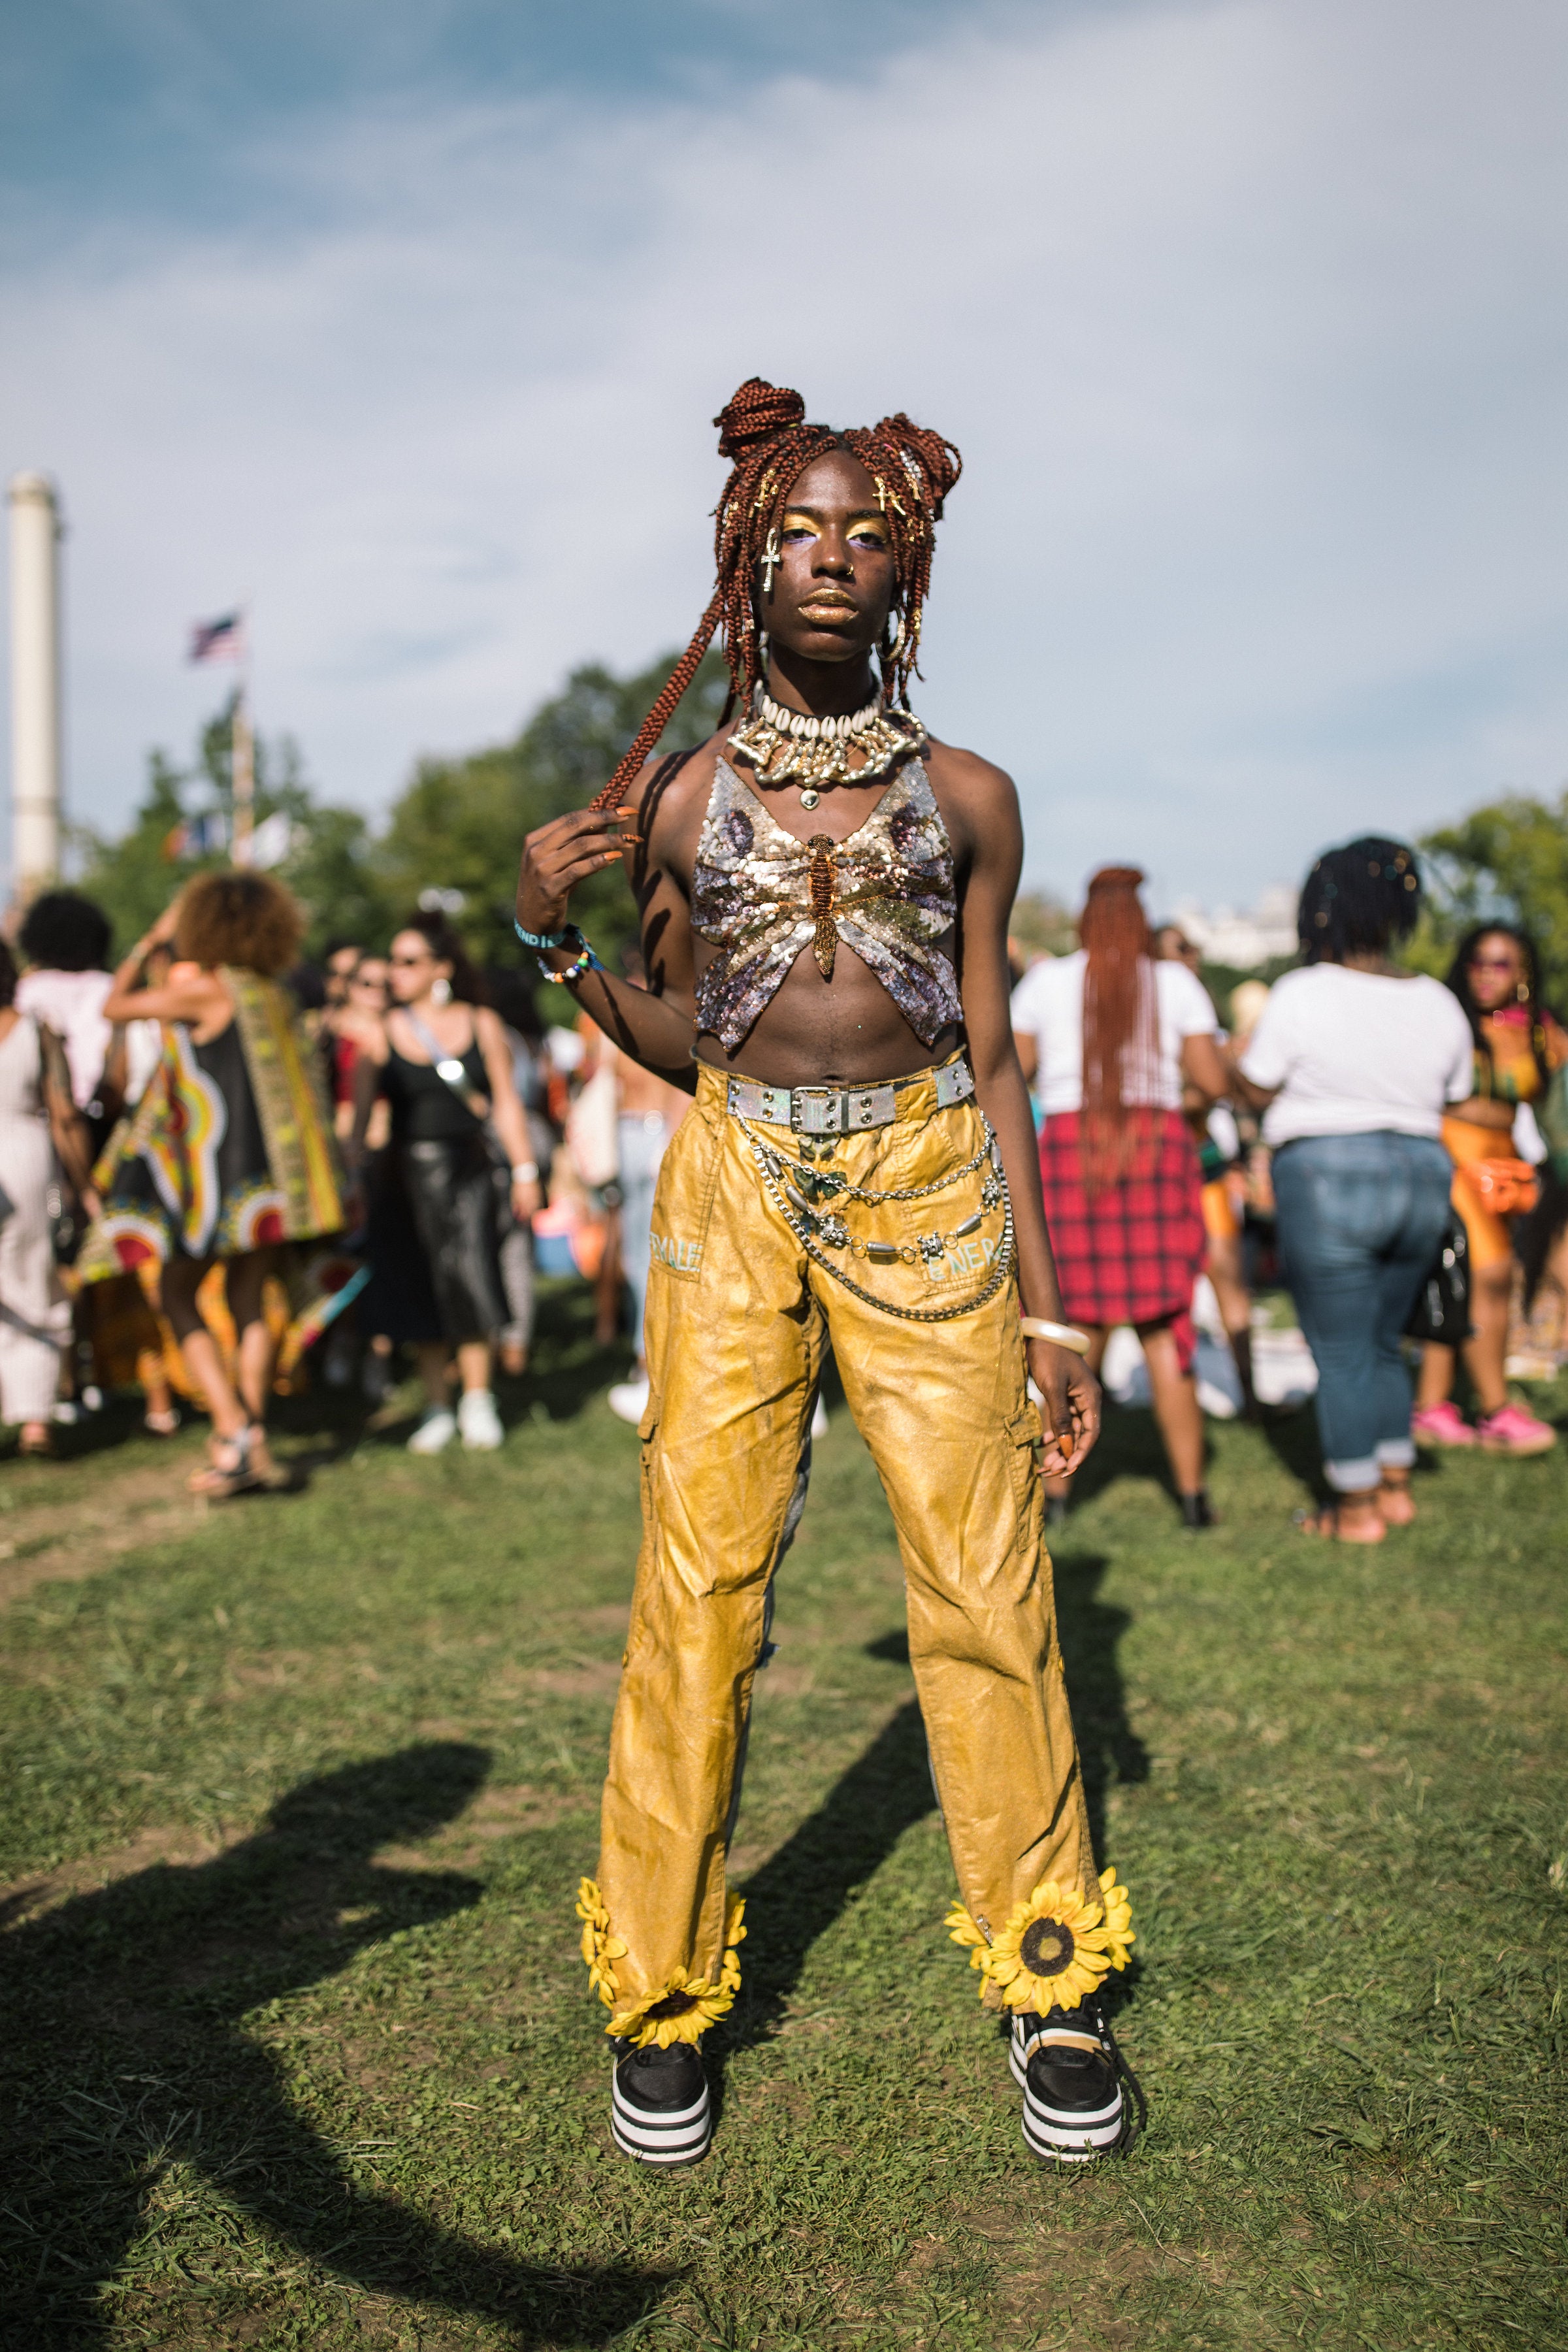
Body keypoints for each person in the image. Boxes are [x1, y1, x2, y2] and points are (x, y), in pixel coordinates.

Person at [515, 379, 1134, 2172]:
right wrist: (554, 941)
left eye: (872, 535)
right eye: (800, 532)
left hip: (937, 1184)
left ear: (911, 566)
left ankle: (1050, 1979)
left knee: (986, 1577)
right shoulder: (686, 801)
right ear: (745, 558)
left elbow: (1002, 1051)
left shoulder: (969, 798)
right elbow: (680, 1040)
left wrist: (1052, 1302)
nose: (834, 561)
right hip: (734, 1193)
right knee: (698, 1582)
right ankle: (663, 1992)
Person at [1232, 839, 1473, 1541]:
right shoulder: (1437, 999)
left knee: (1338, 1352)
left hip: (1328, 1171)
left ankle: (1356, 1507)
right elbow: (1454, 1094)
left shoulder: (1304, 992)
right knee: (1382, 1342)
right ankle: (1396, 1484)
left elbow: (1257, 1083)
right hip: (1423, 1173)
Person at [78, 874, 347, 1494]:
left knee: (177, 1295)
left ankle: (230, 1432)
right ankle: (252, 1433)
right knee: (248, 1303)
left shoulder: (206, 990)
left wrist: (151, 942)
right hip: (273, 1189)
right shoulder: (274, 995)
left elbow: (114, 1008)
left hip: (216, 1184)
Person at [1012, 868, 1230, 1526]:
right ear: (1140, 918)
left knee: (1072, 1330)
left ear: (1084, 917)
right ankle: (1192, 1501)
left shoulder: (1047, 983)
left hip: (1071, 1156)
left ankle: (1055, 1499)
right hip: (1156, 1150)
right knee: (1167, 1330)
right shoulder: (1175, 982)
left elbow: (1012, 1073)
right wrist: (1181, 1104)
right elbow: (1211, 1081)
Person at [351, 914, 539, 1454]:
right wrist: (351, 1175)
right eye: (393, 960)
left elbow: (506, 1102)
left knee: (473, 1277)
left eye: (408, 960)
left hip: (470, 1171)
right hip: (404, 1177)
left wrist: (525, 1170)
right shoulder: (381, 1032)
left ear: (441, 968)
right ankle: (437, 1405)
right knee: (419, 1287)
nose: (395, 971)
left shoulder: (481, 1023)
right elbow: (362, 1122)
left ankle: (479, 1399)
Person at [1412, 925, 1563, 1455]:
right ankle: (1496, 1409)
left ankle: (1432, 1405)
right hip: (1451, 1157)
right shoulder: (1445, 1022)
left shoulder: (1541, 1035)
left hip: (1507, 1170)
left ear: (1522, 974)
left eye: (1500, 964)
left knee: (1456, 1279)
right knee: (1489, 1274)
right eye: (1477, 961)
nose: (1485, 973)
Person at [1151, 925, 1260, 1420]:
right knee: (1151, 1292)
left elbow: (1219, 1088)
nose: (1192, 957)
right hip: (1157, 1168)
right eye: (1181, 949)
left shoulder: (1197, 1014)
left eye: (1193, 949)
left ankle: (1251, 1395)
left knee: (1228, 1279)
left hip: (1204, 1163)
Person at [0, 939, 91, 1451]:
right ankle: (35, 1417)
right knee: (32, 1281)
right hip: (24, 1159)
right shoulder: (36, 1029)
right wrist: (85, 1183)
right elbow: (65, 1114)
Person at [604, 955, 693, 1426]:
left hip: (655, 1134)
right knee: (645, 1258)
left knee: (653, 1258)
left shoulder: (668, 1012)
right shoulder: (676, 1009)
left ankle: (654, 1371)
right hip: (641, 1134)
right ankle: (652, 1367)